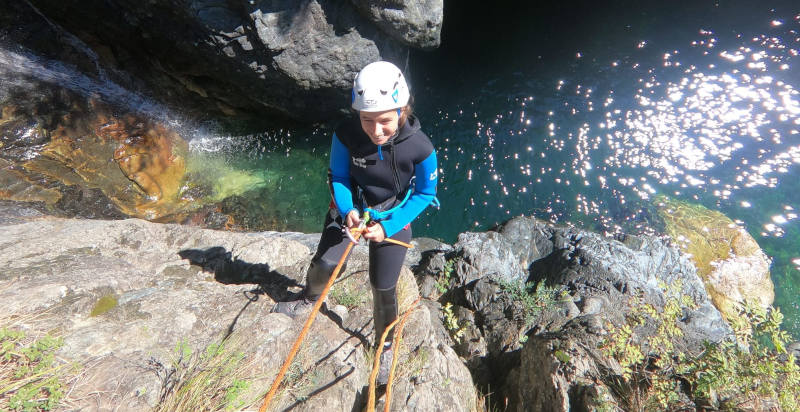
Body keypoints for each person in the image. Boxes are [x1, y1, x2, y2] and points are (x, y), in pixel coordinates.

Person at [273, 60, 439, 383]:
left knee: (383, 285)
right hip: (353, 207)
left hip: (392, 213)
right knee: (325, 262)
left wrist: (388, 226)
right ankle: (309, 299)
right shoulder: (346, 134)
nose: (376, 131)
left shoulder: (420, 147)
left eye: (385, 121)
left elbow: (424, 193)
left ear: (401, 109)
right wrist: (348, 210)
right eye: (367, 120)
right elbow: (339, 176)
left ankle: (386, 344)